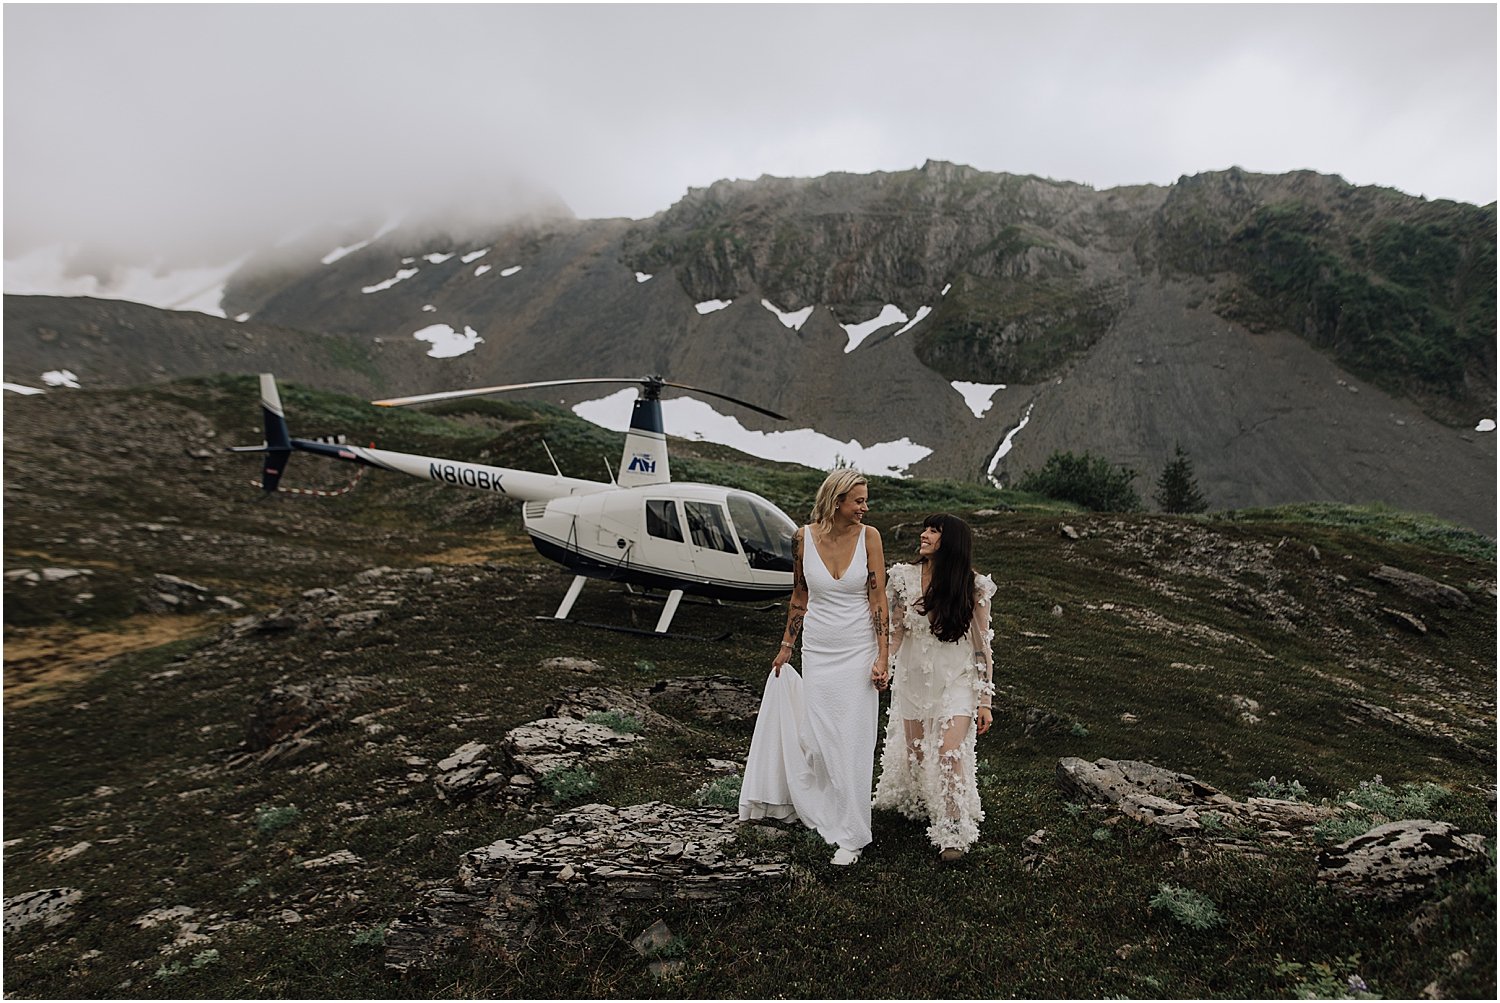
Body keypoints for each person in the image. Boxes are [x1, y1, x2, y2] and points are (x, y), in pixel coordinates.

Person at [739, 468, 890, 865]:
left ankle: (853, 834)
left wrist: (883, 655)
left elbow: (878, 600)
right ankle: (825, 808)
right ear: (836, 500)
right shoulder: (802, 538)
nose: (864, 507)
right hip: (820, 652)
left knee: (854, 741)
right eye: (858, 500)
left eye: (865, 500)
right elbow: (799, 595)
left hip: (859, 651)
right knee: (821, 740)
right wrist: (786, 646)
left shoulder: (870, 537)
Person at [873, 513, 995, 862]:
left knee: (948, 751)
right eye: (925, 528)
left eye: (933, 531)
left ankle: (954, 829)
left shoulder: (974, 587)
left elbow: (981, 647)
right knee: (917, 753)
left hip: (957, 681)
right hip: (914, 679)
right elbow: (895, 632)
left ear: (951, 542)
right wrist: (885, 664)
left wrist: (984, 699)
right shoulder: (902, 578)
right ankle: (924, 803)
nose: (923, 534)